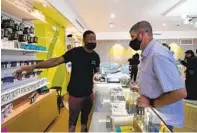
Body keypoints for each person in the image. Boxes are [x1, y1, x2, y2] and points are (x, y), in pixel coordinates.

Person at [14, 30, 100, 132]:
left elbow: (95, 72)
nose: (93, 41)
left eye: (94, 39)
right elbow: (56, 61)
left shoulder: (96, 56)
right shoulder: (75, 52)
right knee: (73, 121)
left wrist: (96, 77)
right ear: (84, 40)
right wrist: (35, 66)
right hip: (75, 95)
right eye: (90, 38)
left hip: (88, 95)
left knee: (85, 121)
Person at [129, 21, 187, 131]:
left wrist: (151, 102)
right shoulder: (148, 54)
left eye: (132, 37)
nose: (131, 41)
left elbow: (180, 93)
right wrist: (142, 88)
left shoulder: (158, 55)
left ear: (141, 34)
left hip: (162, 118)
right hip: (154, 114)